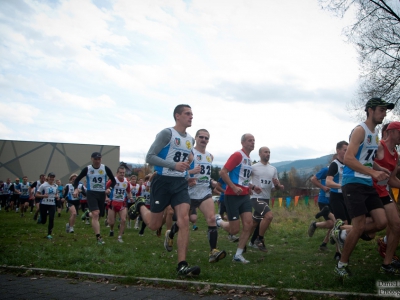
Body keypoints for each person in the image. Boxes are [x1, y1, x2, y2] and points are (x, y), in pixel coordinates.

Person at [129, 104, 200, 276]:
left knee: (183, 220)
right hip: (162, 182)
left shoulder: (190, 138)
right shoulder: (167, 133)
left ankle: (182, 265)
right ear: (177, 116)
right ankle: (140, 205)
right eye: (187, 114)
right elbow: (149, 157)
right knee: (154, 225)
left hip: (180, 184)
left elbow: (188, 156)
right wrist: (174, 165)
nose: (191, 117)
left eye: (192, 114)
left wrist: (188, 168)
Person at [334, 98, 392, 278]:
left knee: (382, 222)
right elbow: (349, 159)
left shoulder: (374, 134)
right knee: (359, 226)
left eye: (385, 110)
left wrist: (377, 168)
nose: (384, 113)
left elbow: (365, 158)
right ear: (370, 110)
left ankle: (343, 232)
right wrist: (373, 173)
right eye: (381, 110)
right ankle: (341, 265)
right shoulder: (360, 130)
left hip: (367, 183)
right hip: (353, 183)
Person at [169, 129, 226, 263]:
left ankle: (213, 251)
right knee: (183, 221)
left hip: (204, 192)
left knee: (212, 219)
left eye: (206, 138)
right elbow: (177, 171)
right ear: (195, 138)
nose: (203, 140)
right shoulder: (189, 153)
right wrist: (190, 174)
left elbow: (205, 174)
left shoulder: (210, 156)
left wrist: (211, 181)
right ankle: (170, 234)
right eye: (201, 137)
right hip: (188, 192)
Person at [215, 133, 261, 264]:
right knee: (234, 229)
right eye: (250, 140)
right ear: (243, 143)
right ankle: (218, 221)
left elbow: (243, 180)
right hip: (232, 196)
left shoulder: (248, 158)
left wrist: (252, 187)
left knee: (248, 224)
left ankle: (238, 255)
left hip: (245, 196)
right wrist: (233, 187)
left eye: (254, 140)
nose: (253, 142)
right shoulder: (237, 155)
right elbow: (223, 172)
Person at [372, 121, 400, 274]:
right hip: (368, 190)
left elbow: (392, 179)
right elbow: (363, 161)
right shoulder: (379, 146)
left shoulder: (396, 155)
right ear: (393, 132)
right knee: (370, 229)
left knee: (397, 225)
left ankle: (387, 264)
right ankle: (343, 231)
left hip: (382, 191)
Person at [73, 152, 116, 245]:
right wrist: (76, 189)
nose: (97, 161)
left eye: (99, 159)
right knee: (96, 213)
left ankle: (88, 214)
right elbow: (77, 180)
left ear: (101, 159)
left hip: (102, 193)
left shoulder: (105, 168)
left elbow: (113, 180)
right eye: (95, 159)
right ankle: (98, 238)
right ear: (91, 159)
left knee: (99, 215)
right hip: (91, 193)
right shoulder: (87, 169)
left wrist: (109, 189)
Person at [248, 147, 284, 252]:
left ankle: (246, 242)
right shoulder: (253, 167)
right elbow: (245, 181)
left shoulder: (273, 169)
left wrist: (278, 186)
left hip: (266, 198)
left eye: (269, 152)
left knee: (256, 223)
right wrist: (252, 187)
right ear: (260, 154)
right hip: (256, 198)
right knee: (269, 216)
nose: (268, 154)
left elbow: (273, 188)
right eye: (265, 152)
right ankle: (260, 240)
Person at [325, 141, 349, 260]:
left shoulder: (350, 163)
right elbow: (328, 182)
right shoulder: (334, 165)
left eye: (348, 150)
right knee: (343, 223)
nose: (347, 152)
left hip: (347, 197)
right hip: (336, 197)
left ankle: (341, 252)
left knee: (347, 226)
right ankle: (340, 254)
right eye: (345, 150)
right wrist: (341, 186)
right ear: (338, 151)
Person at [106, 166, 132, 243]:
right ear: (117, 173)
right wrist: (106, 197)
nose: (122, 174)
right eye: (120, 173)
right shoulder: (112, 181)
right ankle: (111, 229)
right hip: (112, 202)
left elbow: (128, 191)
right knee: (111, 222)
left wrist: (130, 197)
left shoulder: (126, 182)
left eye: (123, 173)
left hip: (122, 203)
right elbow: (105, 189)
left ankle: (119, 236)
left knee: (123, 220)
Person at [35, 172, 59, 239]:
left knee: (51, 218)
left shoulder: (55, 186)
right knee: (44, 221)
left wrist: (57, 196)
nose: (52, 178)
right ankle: (41, 218)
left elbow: (56, 194)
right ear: (47, 178)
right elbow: (36, 194)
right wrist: (43, 196)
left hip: (52, 204)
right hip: (44, 204)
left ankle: (49, 234)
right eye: (50, 177)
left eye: (53, 177)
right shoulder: (43, 185)